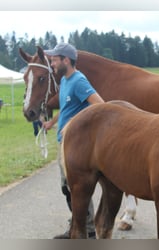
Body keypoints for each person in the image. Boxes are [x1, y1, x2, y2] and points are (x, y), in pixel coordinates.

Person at [42, 43, 104, 239]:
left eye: (54, 59)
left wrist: (80, 130)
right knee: (68, 188)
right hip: (64, 144)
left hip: (75, 147)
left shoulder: (79, 81)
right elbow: (67, 108)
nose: (51, 63)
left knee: (77, 189)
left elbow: (100, 106)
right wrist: (52, 122)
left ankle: (87, 231)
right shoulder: (65, 82)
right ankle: (79, 226)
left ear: (66, 60)